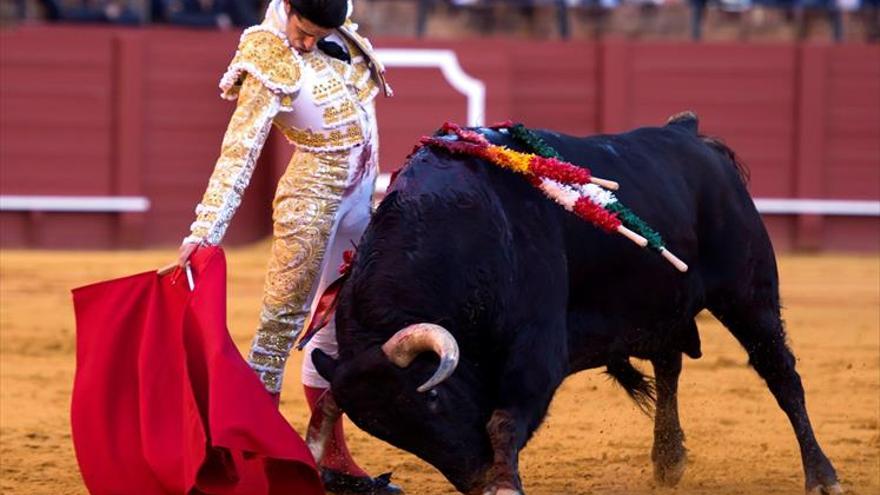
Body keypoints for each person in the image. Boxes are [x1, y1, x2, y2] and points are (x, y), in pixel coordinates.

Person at [170, 0, 399, 492]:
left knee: (340, 321)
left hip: (360, 197)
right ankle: (253, 466)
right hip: (310, 202)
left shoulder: (343, 34)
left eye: (320, 34)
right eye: (304, 30)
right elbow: (240, 150)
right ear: (288, 6)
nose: (307, 42)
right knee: (278, 330)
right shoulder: (266, 51)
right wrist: (204, 230)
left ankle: (330, 457)